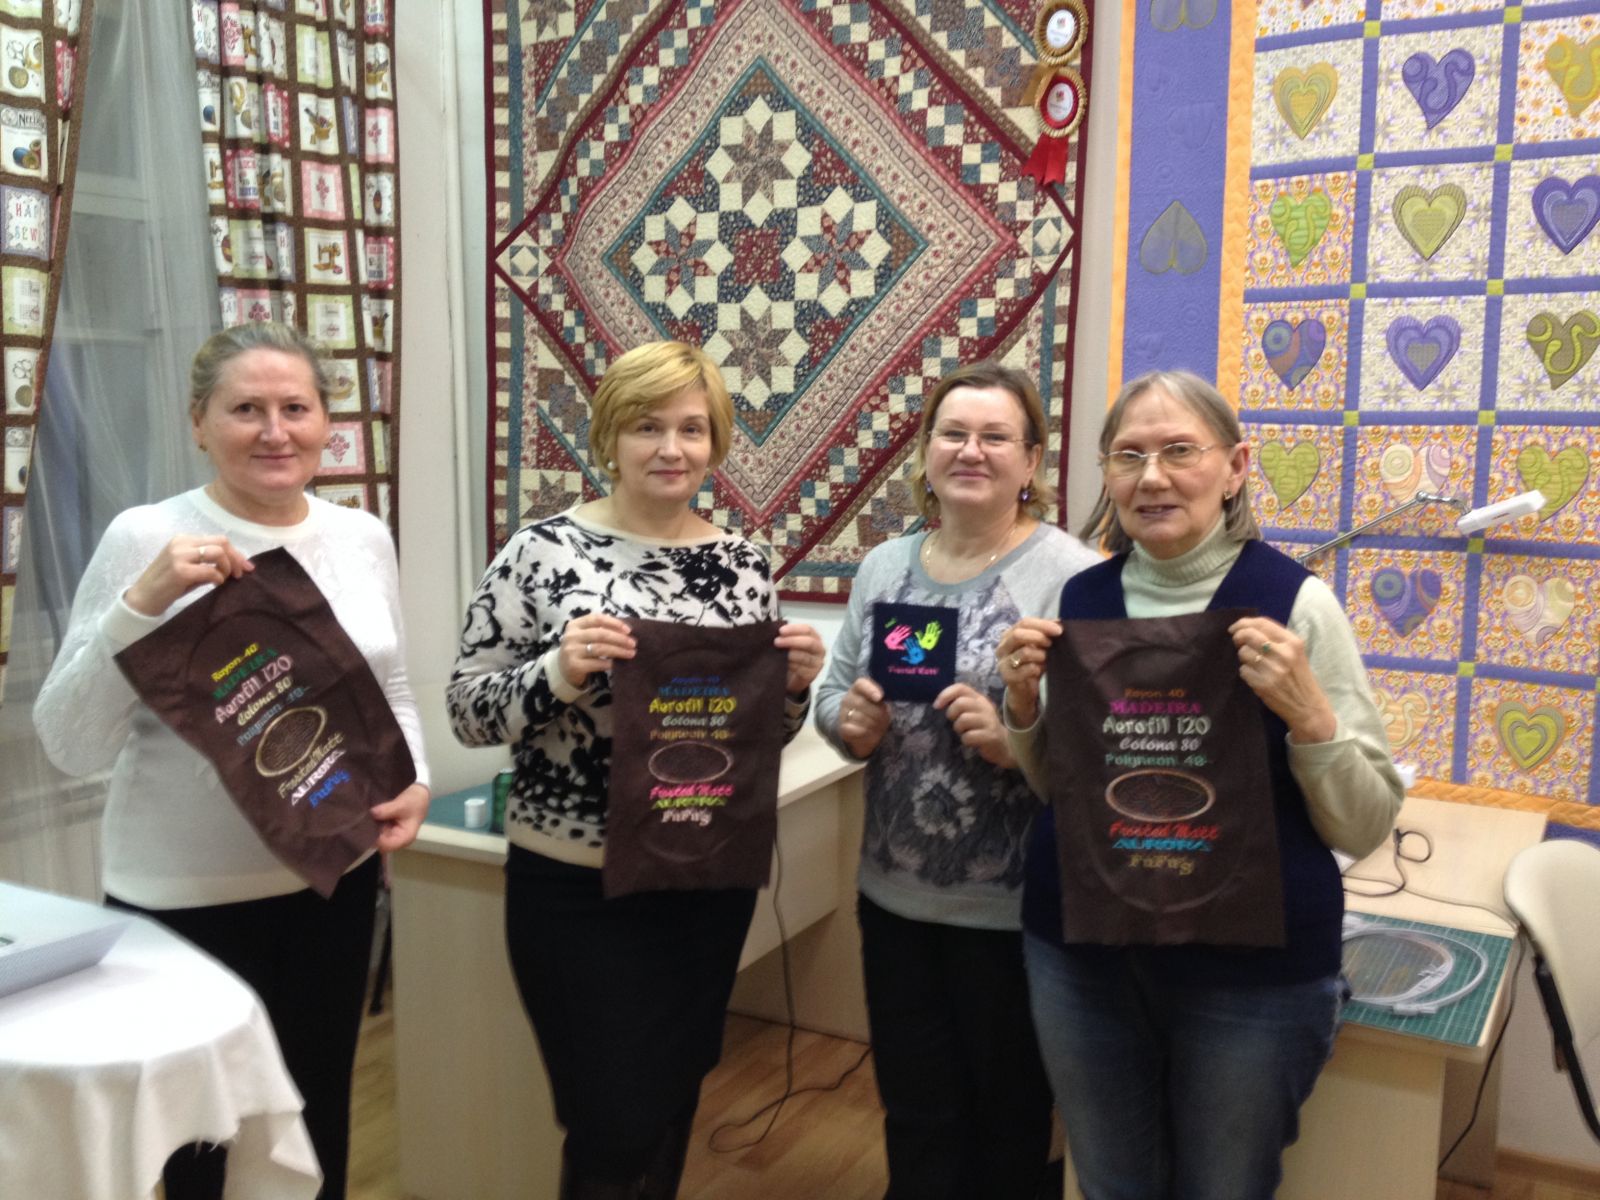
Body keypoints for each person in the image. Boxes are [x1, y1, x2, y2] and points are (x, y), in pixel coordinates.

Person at [34, 322, 430, 1200]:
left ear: (328, 422)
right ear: (198, 423)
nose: (274, 431)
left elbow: (391, 686)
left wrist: (415, 780)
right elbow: (67, 742)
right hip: (182, 904)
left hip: (330, 883)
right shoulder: (147, 536)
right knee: (195, 1151)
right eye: (246, 409)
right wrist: (140, 605)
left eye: (296, 408)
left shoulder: (362, 535)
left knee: (313, 1125)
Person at [998, 369, 1404, 1200]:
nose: (1152, 477)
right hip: (1085, 952)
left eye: (1180, 451)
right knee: (1112, 1182)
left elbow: (1364, 827)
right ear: (1108, 475)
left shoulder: (1295, 604)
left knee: (1225, 1186)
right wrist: (1023, 706)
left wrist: (1311, 718)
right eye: (1129, 456)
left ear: (1235, 466)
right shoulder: (1082, 598)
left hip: (1248, 971)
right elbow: (1064, 794)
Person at [445, 340, 825, 1200]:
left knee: (673, 1094)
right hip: (578, 885)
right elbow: (467, 712)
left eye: (693, 428)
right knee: (611, 1119)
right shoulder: (541, 554)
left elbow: (760, 734)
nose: (671, 448)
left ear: (716, 442)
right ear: (609, 436)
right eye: (648, 426)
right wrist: (558, 670)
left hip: (704, 876)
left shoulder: (744, 563)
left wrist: (795, 688)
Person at [815, 362, 1099, 1199]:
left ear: (1032, 461)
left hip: (1013, 912)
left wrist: (1020, 742)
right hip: (893, 897)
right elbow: (833, 695)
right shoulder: (884, 567)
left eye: (995, 437)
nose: (971, 451)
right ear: (927, 452)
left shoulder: (1075, 577)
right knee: (916, 1112)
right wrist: (847, 724)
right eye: (954, 433)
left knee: (1009, 1120)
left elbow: (1104, 747)